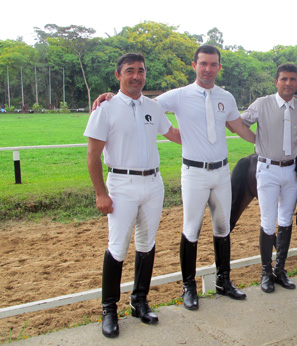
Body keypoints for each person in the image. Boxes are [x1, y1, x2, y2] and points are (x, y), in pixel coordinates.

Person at [93, 45, 255, 311]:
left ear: (219, 67)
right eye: (203, 63)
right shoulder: (179, 96)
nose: (208, 69)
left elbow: (238, 127)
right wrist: (114, 96)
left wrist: (264, 144)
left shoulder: (226, 96)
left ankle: (224, 280)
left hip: (221, 171)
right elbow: (141, 105)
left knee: (223, 226)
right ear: (194, 65)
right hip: (193, 172)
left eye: (213, 64)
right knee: (191, 228)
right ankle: (188, 287)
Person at [84, 53, 181, 338]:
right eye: (130, 71)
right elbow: (92, 156)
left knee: (147, 244)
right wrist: (101, 193)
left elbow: (172, 133)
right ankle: (109, 309)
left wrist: (205, 132)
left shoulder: (153, 106)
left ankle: (139, 301)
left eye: (140, 71)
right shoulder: (106, 108)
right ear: (119, 76)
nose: (136, 76)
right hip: (121, 184)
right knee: (117, 246)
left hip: (153, 182)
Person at [241, 63, 297, 293]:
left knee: (286, 220)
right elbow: (239, 123)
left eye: (293, 79)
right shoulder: (262, 103)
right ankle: (265, 271)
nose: (288, 83)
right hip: (268, 169)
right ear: (276, 81)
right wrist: (256, 140)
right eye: (284, 79)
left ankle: (280, 269)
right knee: (268, 221)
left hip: (292, 170)